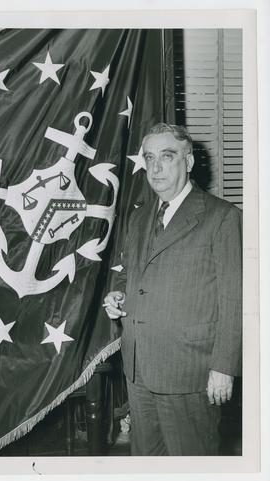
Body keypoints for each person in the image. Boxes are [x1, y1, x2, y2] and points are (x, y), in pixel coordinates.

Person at [104, 123, 242, 456]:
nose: (155, 167)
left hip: (189, 373)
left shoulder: (221, 217)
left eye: (167, 157)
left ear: (189, 162)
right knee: (147, 463)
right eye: (149, 157)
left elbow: (234, 299)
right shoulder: (138, 218)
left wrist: (223, 368)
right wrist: (117, 295)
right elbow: (132, 275)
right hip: (138, 369)